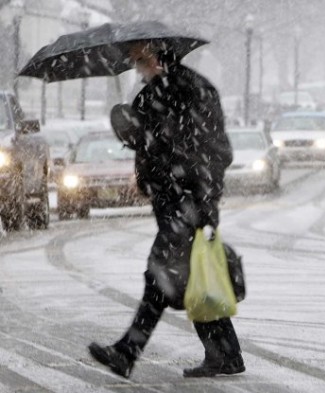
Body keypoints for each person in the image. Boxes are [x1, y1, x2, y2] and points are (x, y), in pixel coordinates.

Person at [88, 40, 244, 378]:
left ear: (159, 56)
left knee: (158, 277)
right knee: (191, 278)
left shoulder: (194, 90)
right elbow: (146, 141)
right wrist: (130, 132)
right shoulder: (150, 94)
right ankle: (226, 354)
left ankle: (127, 351)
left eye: (141, 58)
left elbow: (218, 152)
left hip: (187, 203)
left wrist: (201, 200)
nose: (136, 65)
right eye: (133, 61)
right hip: (171, 202)